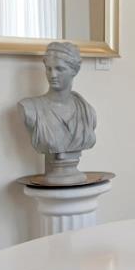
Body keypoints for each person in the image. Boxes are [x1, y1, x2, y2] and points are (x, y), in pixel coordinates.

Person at [18, 41, 97, 183]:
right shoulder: (30, 108)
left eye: (60, 69)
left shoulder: (87, 111)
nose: (52, 75)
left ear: (74, 71)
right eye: (48, 69)